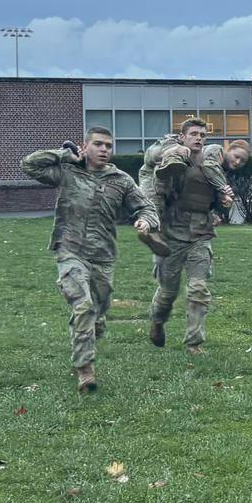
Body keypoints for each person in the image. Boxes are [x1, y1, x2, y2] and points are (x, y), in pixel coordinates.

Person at [21, 127, 157, 393]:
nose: (104, 150)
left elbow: (146, 206)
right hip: (70, 251)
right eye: (98, 144)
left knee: (97, 315)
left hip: (103, 257)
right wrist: (65, 155)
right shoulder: (68, 172)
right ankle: (85, 370)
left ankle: (89, 335)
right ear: (86, 146)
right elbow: (29, 165)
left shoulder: (121, 180)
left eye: (108, 145)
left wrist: (145, 221)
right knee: (83, 306)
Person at [147, 120, 244, 355]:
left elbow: (215, 202)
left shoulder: (210, 165)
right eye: (193, 134)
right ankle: (157, 322)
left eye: (202, 134)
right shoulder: (174, 160)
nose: (199, 138)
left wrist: (223, 204)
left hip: (200, 234)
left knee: (198, 288)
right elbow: (157, 192)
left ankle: (194, 343)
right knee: (167, 293)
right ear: (182, 137)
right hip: (171, 235)